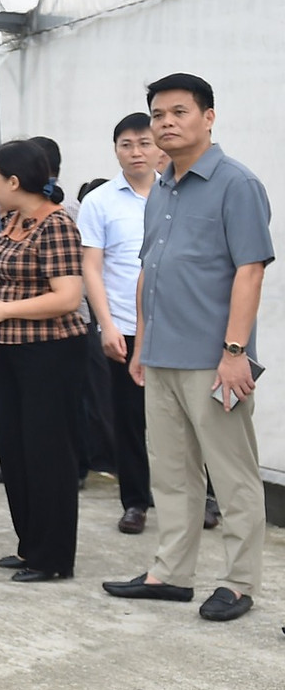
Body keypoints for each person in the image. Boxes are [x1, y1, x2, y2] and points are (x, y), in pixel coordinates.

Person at [105, 73, 272, 623]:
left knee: (232, 476)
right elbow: (151, 270)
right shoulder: (164, 187)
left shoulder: (235, 183)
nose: (166, 123)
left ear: (209, 117)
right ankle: (170, 574)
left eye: (179, 112)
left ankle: (240, 583)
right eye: (158, 115)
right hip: (162, 356)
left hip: (214, 361)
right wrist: (141, 346)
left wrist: (234, 351)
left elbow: (249, 272)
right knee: (171, 473)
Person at [0, 140, 89, 583]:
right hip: (7, 348)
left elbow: (67, 297)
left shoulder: (56, 225)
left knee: (47, 453)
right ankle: (30, 545)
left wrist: (3, 310)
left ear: (15, 181)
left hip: (50, 352)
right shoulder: (12, 221)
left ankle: (54, 556)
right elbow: (4, 275)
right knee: (17, 452)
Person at [79, 113, 161, 533]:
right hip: (123, 327)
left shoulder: (178, 192)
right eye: (127, 144)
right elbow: (92, 268)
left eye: (144, 143)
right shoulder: (101, 201)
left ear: (158, 146)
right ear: (116, 149)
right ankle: (136, 501)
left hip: (174, 329)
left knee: (185, 419)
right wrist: (105, 325)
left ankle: (201, 497)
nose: (136, 152)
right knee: (129, 420)